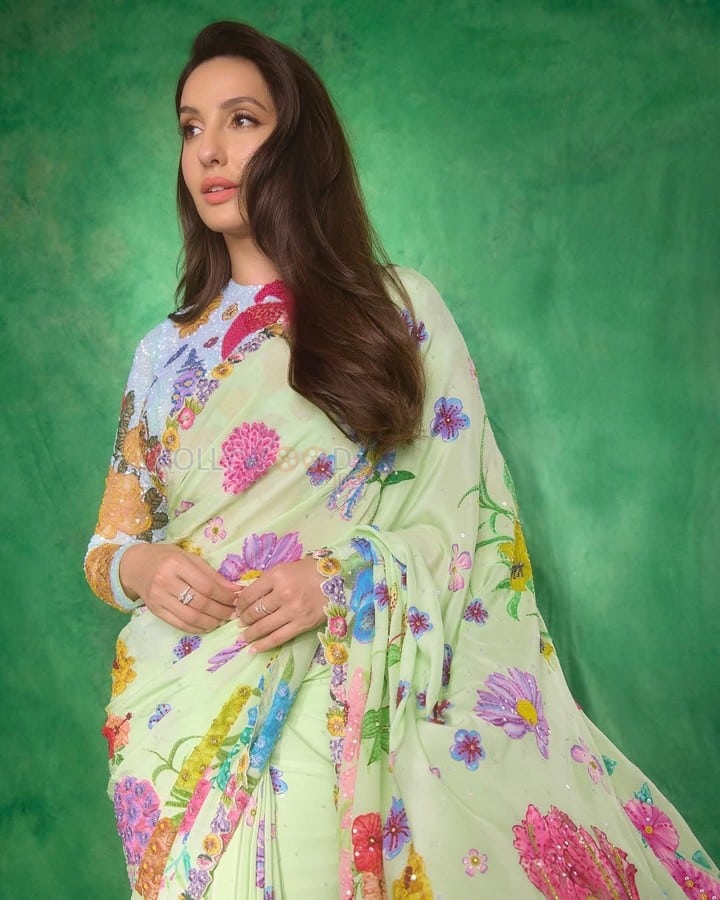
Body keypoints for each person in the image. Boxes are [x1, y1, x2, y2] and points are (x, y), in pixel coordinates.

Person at [84, 20, 718, 900]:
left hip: (339, 697)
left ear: (299, 143)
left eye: (242, 120)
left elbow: (463, 523)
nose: (209, 151)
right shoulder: (164, 354)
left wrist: (340, 581)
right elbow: (107, 546)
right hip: (178, 715)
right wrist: (142, 567)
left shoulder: (392, 312)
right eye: (192, 127)